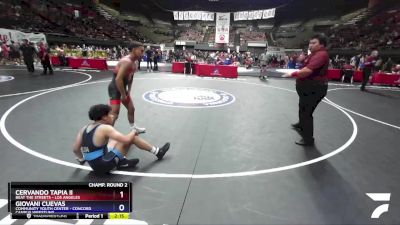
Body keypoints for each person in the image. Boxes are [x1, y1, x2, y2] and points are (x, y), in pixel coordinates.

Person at [72, 104, 170, 174]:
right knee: (132, 138)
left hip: (94, 166)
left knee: (115, 140)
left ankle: (121, 162)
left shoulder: (84, 128)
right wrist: (133, 131)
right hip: (104, 165)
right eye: (110, 114)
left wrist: (81, 159)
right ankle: (158, 152)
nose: (112, 116)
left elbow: (76, 149)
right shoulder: (105, 128)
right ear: (104, 117)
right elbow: (127, 140)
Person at [284, 34, 330, 146]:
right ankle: (301, 124)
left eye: (314, 43)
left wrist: (292, 74)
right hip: (308, 88)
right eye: (310, 43)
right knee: (302, 107)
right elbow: (305, 66)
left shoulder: (321, 55)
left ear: (322, 44)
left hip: (314, 88)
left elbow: (308, 71)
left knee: (307, 113)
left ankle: (308, 139)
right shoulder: (313, 54)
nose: (311, 45)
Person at [108, 41, 146, 133]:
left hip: (122, 89)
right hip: (115, 89)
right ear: (134, 50)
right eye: (141, 51)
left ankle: (133, 128)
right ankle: (106, 134)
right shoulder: (126, 61)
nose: (143, 53)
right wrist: (123, 94)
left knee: (131, 108)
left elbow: (131, 77)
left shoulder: (135, 62)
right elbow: (118, 79)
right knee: (115, 113)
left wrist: (129, 90)